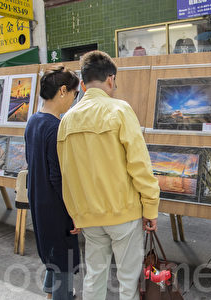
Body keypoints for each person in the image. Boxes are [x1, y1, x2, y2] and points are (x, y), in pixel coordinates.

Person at [57, 50, 160, 300]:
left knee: (94, 276)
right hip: (123, 212)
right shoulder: (120, 110)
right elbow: (139, 165)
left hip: (89, 215)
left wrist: (75, 214)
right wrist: (151, 207)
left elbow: (66, 174)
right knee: (128, 280)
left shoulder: (67, 120)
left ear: (82, 84)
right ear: (111, 80)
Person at [25, 65, 81, 300]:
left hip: (39, 202)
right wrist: (74, 213)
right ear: (63, 91)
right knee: (64, 262)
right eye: (75, 94)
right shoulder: (55, 127)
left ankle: (51, 293)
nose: (74, 100)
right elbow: (58, 178)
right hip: (57, 209)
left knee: (52, 255)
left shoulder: (33, 122)